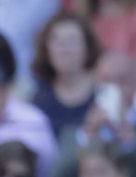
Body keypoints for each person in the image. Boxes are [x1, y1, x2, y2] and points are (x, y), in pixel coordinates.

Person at [32, 12, 102, 142]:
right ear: (46, 50)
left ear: (87, 48)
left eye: (72, 41)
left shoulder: (105, 93)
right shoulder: (35, 97)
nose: (64, 49)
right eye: (57, 42)